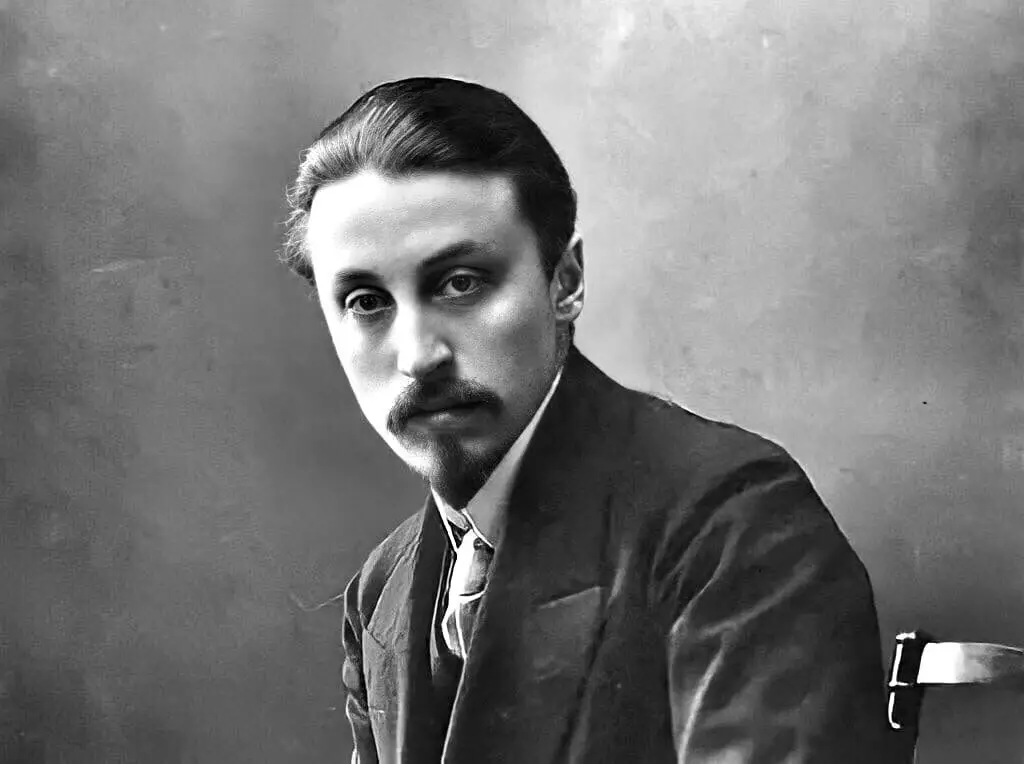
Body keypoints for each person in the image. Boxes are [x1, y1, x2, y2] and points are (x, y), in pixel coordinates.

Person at [280, 77, 902, 763]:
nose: (417, 356)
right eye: (366, 302)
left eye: (461, 283)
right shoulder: (383, 587)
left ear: (566, 281)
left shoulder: (729, 525)